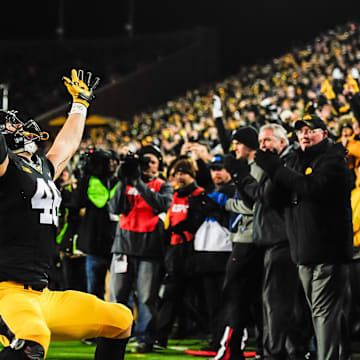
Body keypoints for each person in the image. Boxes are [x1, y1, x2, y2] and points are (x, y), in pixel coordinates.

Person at [0, 69, 133, 360]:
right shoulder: (5, 170)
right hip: (5, 291)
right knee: (33, 341)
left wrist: (80, 104)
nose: (21, 128)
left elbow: (68, 145)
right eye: (12, 128)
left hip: (41, 292)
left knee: (120, 319)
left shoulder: (41, 169)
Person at [255, 114, 353, 360]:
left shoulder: (334, 160)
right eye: (301, 132)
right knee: (323, 311)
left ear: (324, 134)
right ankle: (341, 354)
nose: (305, 135)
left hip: (327, 251)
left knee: (322, 312)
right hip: (302, 250)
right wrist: (273, 167)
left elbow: (311, 187)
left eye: (311, 130)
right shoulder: (295, 160)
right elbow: (270, 199)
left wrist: (276, 168)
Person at [235, 123, 311, 359]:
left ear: (281, 141)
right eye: (260, 142)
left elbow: (265, 196)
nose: (262, 147)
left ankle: (275, 353)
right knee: (287, 303)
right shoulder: (279, 162)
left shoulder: (285, 162)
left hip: (282, 241)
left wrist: (244, 178)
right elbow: (258, 199)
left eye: (267, 141)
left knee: (276, 303)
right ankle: (290, 350)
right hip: (280, 240)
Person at [109, 145, 173, 353]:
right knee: (117, 296)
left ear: (159, 165)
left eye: (152, 162)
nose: (148, 166)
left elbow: (161, 204)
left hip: (149, 249)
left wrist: (138, 183)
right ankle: (118, 335)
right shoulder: (124, 183)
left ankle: (145, 338)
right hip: (123, 247)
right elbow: (116, 208)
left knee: (147, 298)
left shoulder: (164, 186)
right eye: (144, 162)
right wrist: (123, 179)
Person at [154, 157, 205, 348]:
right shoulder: (175, 196)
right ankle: (162, 335)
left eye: (183, 172)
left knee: (197, 295)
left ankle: (202, 331)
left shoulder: (199, 194)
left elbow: (195, 222)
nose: (179, 176)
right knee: (171, 294)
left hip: (193, 250)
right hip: (174, 251)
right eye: (176, 173)